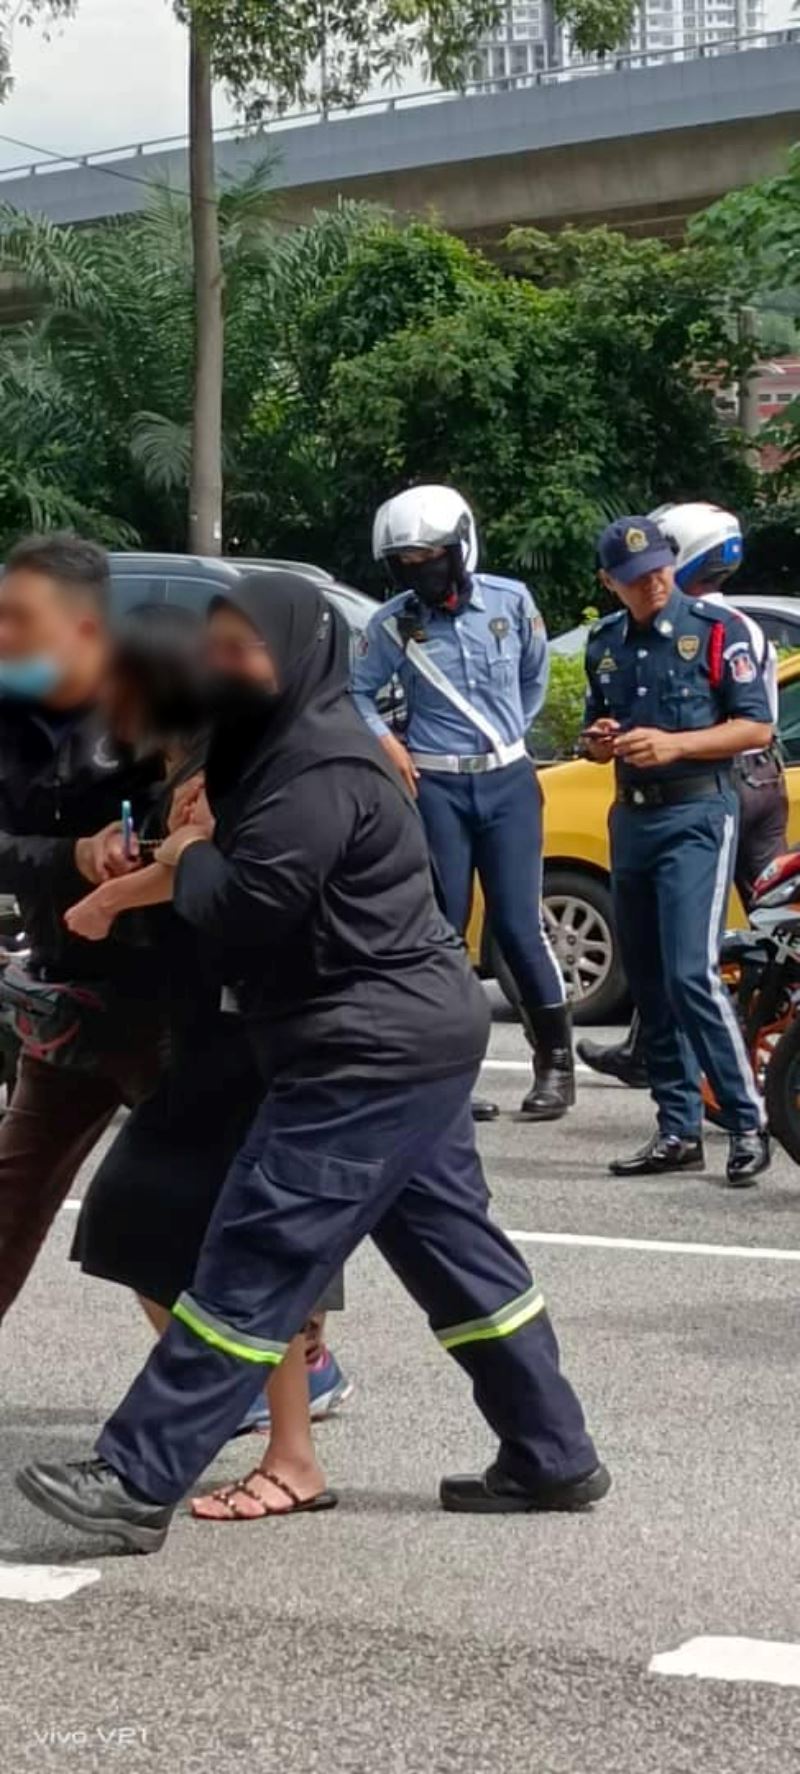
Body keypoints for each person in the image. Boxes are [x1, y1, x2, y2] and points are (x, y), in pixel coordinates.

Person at [16, 571, 609, 1550]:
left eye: (246, 648)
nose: (226, 665)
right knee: (460, 1261)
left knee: (255, 1249)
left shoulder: (317, 764)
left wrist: (192, 856)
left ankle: (133, 1475)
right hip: (402, 1033)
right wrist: (170, 848)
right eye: (221, 647)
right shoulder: (278, 744)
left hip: (362, 1047)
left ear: (298, 651)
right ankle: (552, 1450)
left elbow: (250, 905)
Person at [67, 602, 350, 1492]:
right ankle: (277, 1397)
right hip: (203, 1028)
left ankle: (271, 1423)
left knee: (211, 1235)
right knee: (191, 1234)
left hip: (251, 1031)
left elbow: (226, 865)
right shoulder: (168, 761)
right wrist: (114, 853)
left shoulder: (236, 756)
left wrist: (119, 892)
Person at [353, 485, 572, 1125]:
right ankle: (446, 1071)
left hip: (506, 782)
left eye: (429, 556)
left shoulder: (511, 602)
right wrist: (388, 746)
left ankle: (555, 1064)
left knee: (517, 923)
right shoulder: (392, 622)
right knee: (440, 927)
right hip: (435, 785)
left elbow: (534, 676)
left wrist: (507, 737)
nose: (418, 570)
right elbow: (358, 693)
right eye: (405, 561)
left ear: (459, 548)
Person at [0, 534, 167, 1326]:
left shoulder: (163, 701)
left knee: (162, 1200)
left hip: (173, 1002)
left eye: (22, 621)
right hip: (68, 991)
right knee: (15, 1189)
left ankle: (291, 1371)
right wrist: (73, 854)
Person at [582, 515, 774, 1187]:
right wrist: (600, 742)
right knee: (651, 978)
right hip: (632, 816)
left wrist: (674, 744)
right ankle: (675, 1127)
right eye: (636, 578)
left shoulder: (718, 631)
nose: (654, 582)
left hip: (697, 810)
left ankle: (748, 1123)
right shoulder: (606, 643)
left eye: (661, 568)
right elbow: (593, 725)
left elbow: (755, 726)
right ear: (612, 584)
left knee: (692, 970)